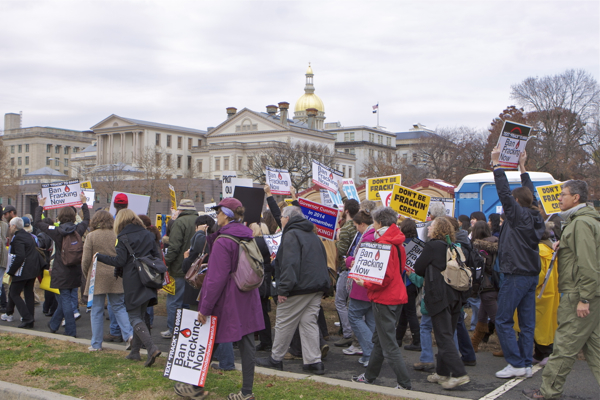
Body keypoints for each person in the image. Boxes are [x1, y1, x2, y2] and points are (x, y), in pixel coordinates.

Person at [175, 198, 263, 400]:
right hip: (248, 294)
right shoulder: (246, 235)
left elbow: (215, 279)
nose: (217, 214)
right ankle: (247, 392)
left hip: (229, 298)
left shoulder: (224, 241)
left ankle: (194, 386)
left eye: (219, 211)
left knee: (208, 338)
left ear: (227, 214)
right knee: (246, 343)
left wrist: (204, 308)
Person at [523, 180, 600, 400]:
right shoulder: (584, 221)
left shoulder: (580, 224)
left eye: (563, 194)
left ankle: (548, 392)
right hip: (588, 293)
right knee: (595, 348)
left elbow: (587, 263)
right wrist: (563, 246)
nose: (559, 198)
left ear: (576, 197)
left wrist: (584, 298)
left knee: (565, 345)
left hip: (580, 294)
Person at [491, 147, 545, 379]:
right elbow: (528, 193)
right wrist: (522, 167)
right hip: (531, 274)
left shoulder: (517, 214)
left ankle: (515, 363)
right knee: (526, 322)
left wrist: (497, 165)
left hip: (516, 274)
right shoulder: (533, 215)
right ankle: (524, 363)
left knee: (503, 319)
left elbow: (504, 192)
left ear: (515, 202)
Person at [256, 206, 330, 375]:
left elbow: (289, 264)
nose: (280, 219)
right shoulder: (313, 234)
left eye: (281, 216)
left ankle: (275, 359)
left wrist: (283, 289)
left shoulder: (291, 235)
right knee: (309, 323)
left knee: (283, 322)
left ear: (287, 219)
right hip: (316, 286)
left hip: (298, 287)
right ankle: (314, 361)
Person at [351, 207, 411, 391]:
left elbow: (383, 278)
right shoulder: (397, 241)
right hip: (397, 296)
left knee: (388, 345)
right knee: (380, 339)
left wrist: (365, 282)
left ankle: (404, 383)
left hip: (385, 299)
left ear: (379, 223)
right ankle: (369, 376)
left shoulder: (384, 244)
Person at [96, 209, 161, 367]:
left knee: (134, 317)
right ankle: (135, 352)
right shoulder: (148, 234)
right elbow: (157, 256)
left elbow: (119, 261)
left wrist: (99, 256)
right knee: (140, 314)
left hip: (133, 281)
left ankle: (151, 348)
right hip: (149, 279)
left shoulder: (122, 237)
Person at [414, 217, 470, 389]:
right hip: (455, 295)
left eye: (431, 226)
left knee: (443, 335)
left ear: (437, 230)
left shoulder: (432, 246)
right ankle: (442, 372)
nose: (428, 228)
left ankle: (459, 374)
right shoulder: (452, 246)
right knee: (447, 333)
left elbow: (419, 268)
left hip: (438, 295)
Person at [35, 193, 89, 338]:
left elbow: (38, 223)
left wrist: (40, 206)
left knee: (65, 300)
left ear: (59, 218)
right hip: (75, 269)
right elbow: (87, 220)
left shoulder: (56, 231)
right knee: (69, 298)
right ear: (73, 217)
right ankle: (54, 324)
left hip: (61, 269)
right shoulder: (78, 230)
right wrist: (84, 203)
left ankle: (71, 330)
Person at [82, 210, 133, 351]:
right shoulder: (118, 234)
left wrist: (87, 275)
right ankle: (129, 336)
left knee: (96, 310)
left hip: (96, 275)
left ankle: (96, 344)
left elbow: (86, 259)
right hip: (116, 273)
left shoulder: (91, 236)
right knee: (119, 307)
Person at [345, 210, 376, 367]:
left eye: (357, 226)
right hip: (372, 286)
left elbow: (357, 262)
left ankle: (370, 352)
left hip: (361, 284)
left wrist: (349, 260)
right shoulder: (375, 236)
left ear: (363, 224)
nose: (356, 229)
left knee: (355, 316)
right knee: (370, 319)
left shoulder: (367, 239)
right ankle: (371, 353)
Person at [163, 199, 198, 339]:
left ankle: (173, 329)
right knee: (189, 301)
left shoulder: (179, 222)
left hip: (178, 268)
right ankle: (189, 329)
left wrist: (167, 262)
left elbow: (174, 246)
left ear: (181, 210)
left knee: (173, 301)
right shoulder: (200, 221)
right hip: (196, 269)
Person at [5, 217, 44, 328]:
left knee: (14, 293)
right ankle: (30, 319)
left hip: (22, 270)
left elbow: (20, 256)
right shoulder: (28, 235)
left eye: (10, 226)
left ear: (14, 226)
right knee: (28, 293)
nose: (9, 228)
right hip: (33, 269)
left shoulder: (18, 238)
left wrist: (11, 271)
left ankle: (27, 317)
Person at [334, 198, 360, 347]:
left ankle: (347, 332)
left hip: (346, 268)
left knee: (340, 301)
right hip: (355, 269)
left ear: (346, 211)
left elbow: (342, 250)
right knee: (351, 302)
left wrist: (337, 240)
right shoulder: (358, 226)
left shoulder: (346, 228)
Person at [470, 221, 499, 353]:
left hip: (486, 286)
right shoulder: (497, 243)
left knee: (497, 320)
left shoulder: (480, 248)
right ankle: (473, 344)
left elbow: (480, 269)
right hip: (496, 284)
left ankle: (509, 347)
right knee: (482, 316)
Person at [396, 218, 421, 351]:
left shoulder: (401, 245)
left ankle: (417, 340)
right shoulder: (419, 244)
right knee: (405, 312)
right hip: (414, 281)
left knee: (409, 312)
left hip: (405, 281)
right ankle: (398, 338)